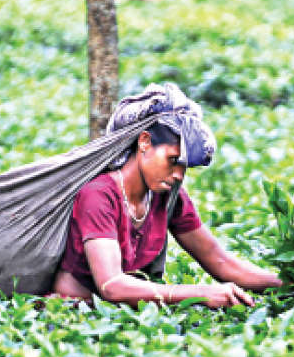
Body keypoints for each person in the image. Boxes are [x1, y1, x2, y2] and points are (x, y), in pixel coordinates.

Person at [51, 86, 281, 308]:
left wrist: (287, 282)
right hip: (72, 313)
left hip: (125, 314)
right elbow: (112, 286)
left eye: (184, 167)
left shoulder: (168, 197)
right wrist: (199, 293)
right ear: (144, 142)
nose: (179, 175)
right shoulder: (99, 196)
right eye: (173, 160)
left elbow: (221, 262)